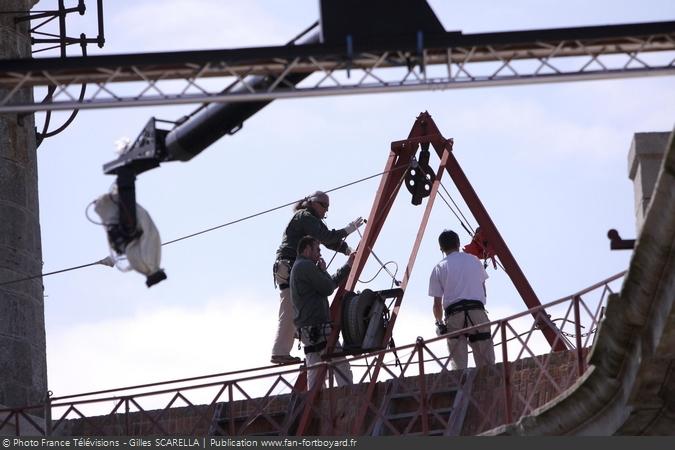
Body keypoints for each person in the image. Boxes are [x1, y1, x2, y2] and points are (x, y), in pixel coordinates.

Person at [271, 191, 363, 364]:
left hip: (287, 266)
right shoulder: (305, 216)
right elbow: (326, 237)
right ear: (313, 203)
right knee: (292, 308)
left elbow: (327, 240)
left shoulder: (308, 219)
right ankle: (281, 351)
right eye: (324, 206)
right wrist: (348, 230)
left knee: (292, 307)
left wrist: (347, 250)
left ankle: (284, 348)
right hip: (289, 265)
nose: (325, 211)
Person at [291, 235, 355, 390]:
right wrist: (346, 267)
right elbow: (327, 287)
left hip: (307, 331)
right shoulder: (305, 266)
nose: (319, 253)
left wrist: (324, 272)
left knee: (315, 372)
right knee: (342, 368)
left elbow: (326, 285)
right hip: (319, 328)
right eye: (317, 249)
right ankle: (348, 398)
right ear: (307, 249)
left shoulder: (299, 267)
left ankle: (314, 406)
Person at [428, 229, 495, 370]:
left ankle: (461, 386)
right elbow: (483, 289)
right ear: (458, 243)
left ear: (441, 248)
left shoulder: (438, 268)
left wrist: (439, 323)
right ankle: (490, 383)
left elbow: (437, 305)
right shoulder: (474, 260)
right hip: (477, 311)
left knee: (458, 366)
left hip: (454, 315)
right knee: (487, 363)